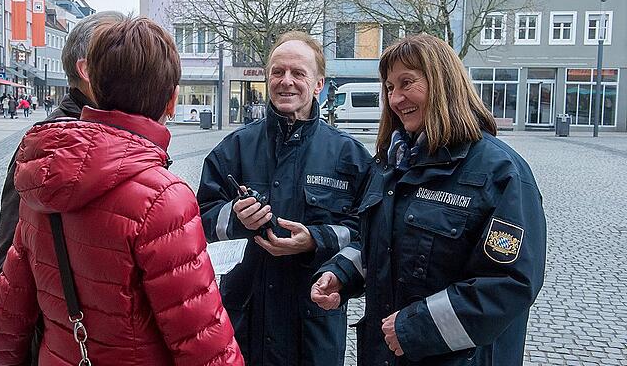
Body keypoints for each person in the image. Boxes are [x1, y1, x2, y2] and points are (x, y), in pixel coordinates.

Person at [0, 17, 243, 365]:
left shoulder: (42, 180)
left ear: (96, 86)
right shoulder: (163, 198)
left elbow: (6, 324)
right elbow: (203, 342)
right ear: (171, 101)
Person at [311, 34, 546, 366]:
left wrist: (415, 328)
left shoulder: (501, 172)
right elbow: (377, 244)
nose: (395, 98)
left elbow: (510, 283)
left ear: (443, 83)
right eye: (390, 87)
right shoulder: (393, 163)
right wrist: (341, 273)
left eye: (407, 82)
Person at [197, 31, 374, 366]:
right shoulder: (234, 149)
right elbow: (198, 221)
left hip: (313, 331)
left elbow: (371, 233)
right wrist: (234, 217)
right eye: (278, 72)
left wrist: (315, 240)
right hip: (244, 326)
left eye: (298, 73)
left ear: (319, 84)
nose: (286, 82)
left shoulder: (349, 156)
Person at [0, 11, 127, 365]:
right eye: (117, 54)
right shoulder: (46, 145)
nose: (130, 63)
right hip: (66, 345)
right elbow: (10, 265)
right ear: (86, 70)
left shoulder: (121, 135)